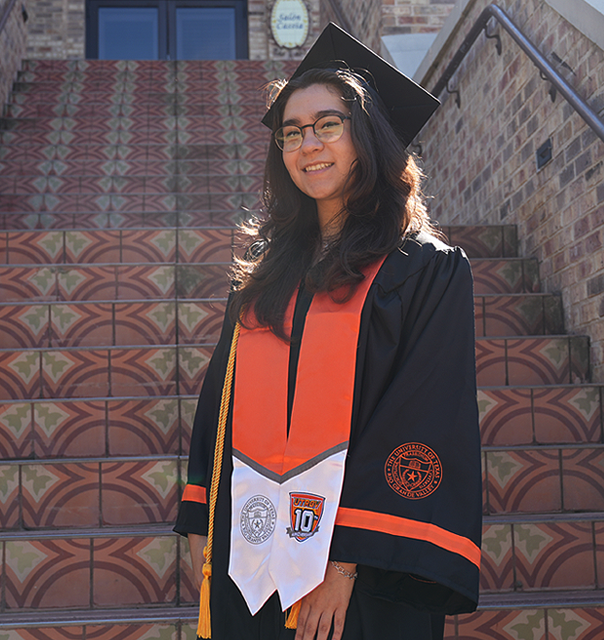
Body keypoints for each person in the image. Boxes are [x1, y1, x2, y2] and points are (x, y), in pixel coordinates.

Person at [174, 23, 482, 640]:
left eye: (327, 124)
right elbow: (221, 404)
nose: (306, 143)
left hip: (361, 573)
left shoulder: (425, 270)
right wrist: (205, 520)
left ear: (367, 136)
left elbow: (422, 414)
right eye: (291, 132)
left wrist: (342, 564)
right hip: (249, 557)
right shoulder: (262, 276)